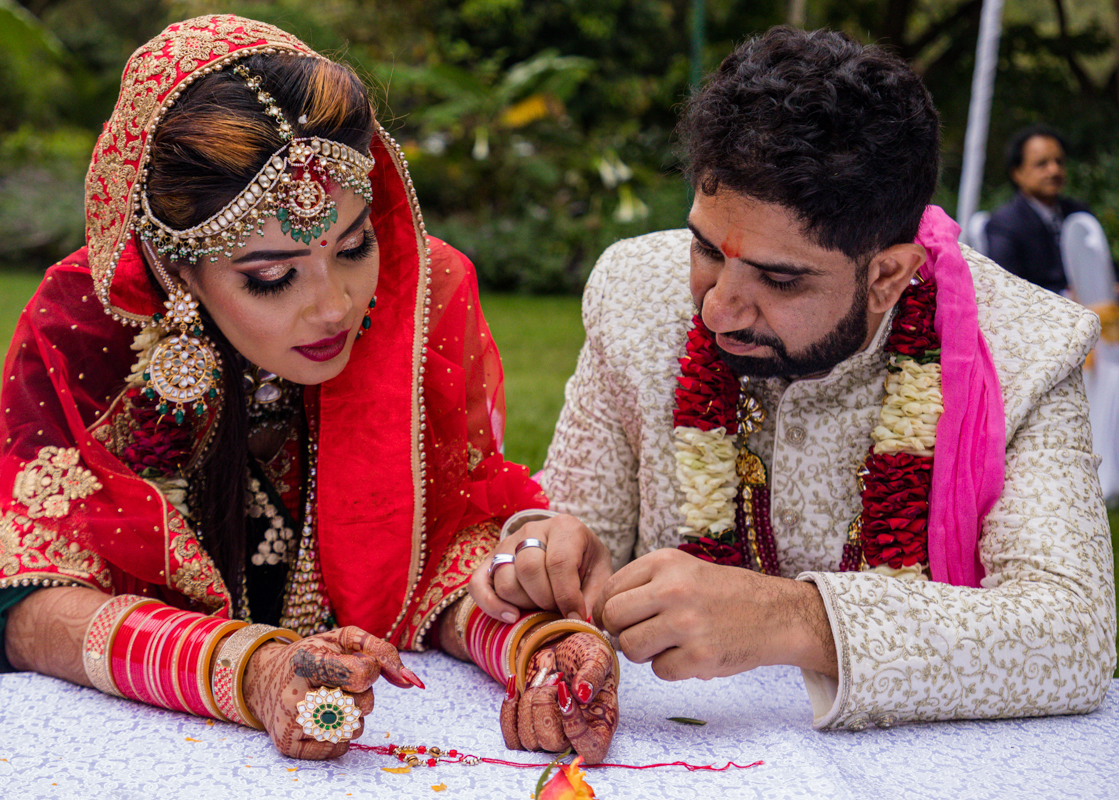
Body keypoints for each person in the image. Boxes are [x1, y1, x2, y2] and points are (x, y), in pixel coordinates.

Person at [0, 15, 618, 763]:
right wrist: (251, 670)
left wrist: (538, 642)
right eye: (270, 277)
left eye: (354, 244)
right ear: (176, 267)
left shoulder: (419, 293)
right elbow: (26, 596)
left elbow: (441, 556)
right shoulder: (87, 320)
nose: (333, 304)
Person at [471, 27, 1116, 731]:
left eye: (779, 278)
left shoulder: (1024, 346)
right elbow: (575, 526)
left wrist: (794, 619)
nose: (718, 305)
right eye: (707, 247)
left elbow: (1074, 635)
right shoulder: (636, 296)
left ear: (888, 274)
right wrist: (553, 549)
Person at [984, 125, 1090, 294]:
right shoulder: (1003, 224)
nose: (1054, 170)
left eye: (1059, 162)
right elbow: (1007, 289)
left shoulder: (1078, 212)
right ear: (1017, 173)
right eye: (1042, 164)